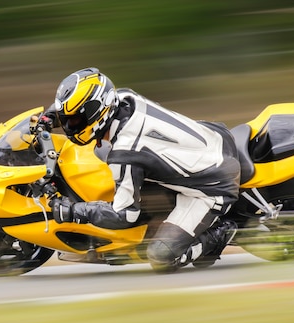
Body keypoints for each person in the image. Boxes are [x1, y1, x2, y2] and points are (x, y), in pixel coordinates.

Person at [37, 67, 241, 273]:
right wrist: (48, 118)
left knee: (161, 258)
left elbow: (125, 215)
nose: (69, 126)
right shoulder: (125, 97)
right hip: (214, 137)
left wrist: (74, 211)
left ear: (96, 112)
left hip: (214, 186)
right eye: (66, 119)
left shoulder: (125, 152)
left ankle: (219, 233)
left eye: (74, 120)